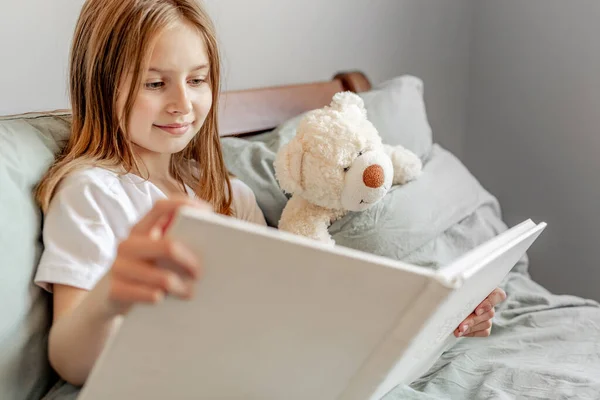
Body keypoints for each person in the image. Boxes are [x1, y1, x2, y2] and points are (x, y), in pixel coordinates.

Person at [33, 0, 505, 387]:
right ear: (100, 84)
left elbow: (289, 311)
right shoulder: (92, 193)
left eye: (198, 80)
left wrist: (443, 324)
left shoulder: (225, 192)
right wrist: (112, 294)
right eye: (155, 83)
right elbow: (69, 358)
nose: (182, 103)